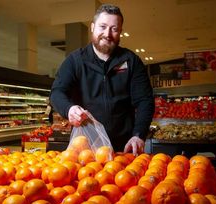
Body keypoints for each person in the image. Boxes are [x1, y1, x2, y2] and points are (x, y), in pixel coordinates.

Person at [50, 4, 155, 155]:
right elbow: (57, 92)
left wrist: (138, 135)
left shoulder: (131, 61)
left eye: (114, 29)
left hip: (124, 148)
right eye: (103, 26)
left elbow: (145, 100)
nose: (107, 33)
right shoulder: (75, 61)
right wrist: (69, 109)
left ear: (120, 32)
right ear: (92, 27)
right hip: (85, 148)